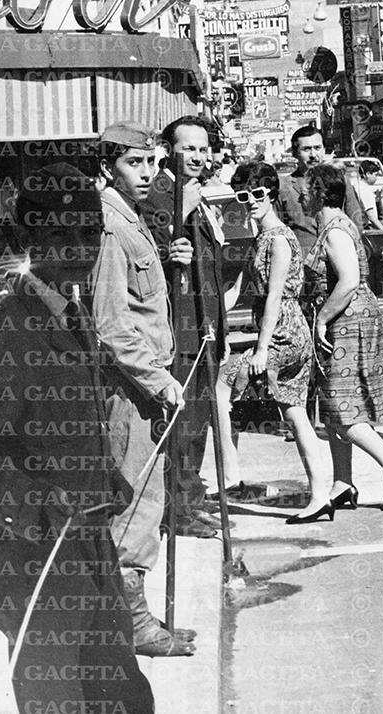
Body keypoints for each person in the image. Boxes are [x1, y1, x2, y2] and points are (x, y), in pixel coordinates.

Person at [0, 163, 156, 714]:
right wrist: (41, 505)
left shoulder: (74, 316)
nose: (79, 249)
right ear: (27, 238)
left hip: (90, 547)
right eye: (61, 234)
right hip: (32, 558)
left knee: (122, 695)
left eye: (90, 232)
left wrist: (108, 480)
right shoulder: (4, 336)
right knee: (55, 700)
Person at [90, 124, 195, 657]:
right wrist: (158, 380)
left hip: (146, 384)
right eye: (135, 163)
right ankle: (133, 625)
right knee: (135, 504)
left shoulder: (131, 218)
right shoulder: (112, 226)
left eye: (152, 161)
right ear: (108, 168)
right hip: (133, 388)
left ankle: (135, 615)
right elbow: (111, 324)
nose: (149, 172)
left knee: (147, 499)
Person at [217, 163, 325, 522]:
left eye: (258, 194)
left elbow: (275, 296)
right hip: (287, 330)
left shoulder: (277, 238)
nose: (250, 201)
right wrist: (209, 314)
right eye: (243, 196)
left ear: (272, 195)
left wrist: (261, 350)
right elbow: (237, 290)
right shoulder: (262, 237)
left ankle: (230, 478)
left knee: (222, 384)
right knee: (295, 414)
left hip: (284, 332)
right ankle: (320, 495)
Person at [303, 164, 383, 509]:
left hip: (347, 319)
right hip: (349, 316)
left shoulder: (335, 230)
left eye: (306, 189)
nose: (300, 195)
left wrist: (322, 319)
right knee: (334, 405)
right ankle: (343, 483)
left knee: (341, 406)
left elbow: (349, 279)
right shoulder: (335, 224)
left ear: (320, 193)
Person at [141, 115, 229, 541]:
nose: (197, 156)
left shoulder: (197, 192)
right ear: (168, 150)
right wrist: (180, 212)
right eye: (188, 148)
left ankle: (190, 498)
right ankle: (178, 508)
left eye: (202, 148)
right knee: (183, 423)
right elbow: (150, 257)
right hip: (181, 331)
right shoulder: (160, 193)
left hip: (204, 327)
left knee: (198, 422)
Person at [356, 159, 383, 230]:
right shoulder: (365, 190)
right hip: (368, 227)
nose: (376, 178)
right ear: (368, 174)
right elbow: (370, 215)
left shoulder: (358, 185)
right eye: (375, 175)